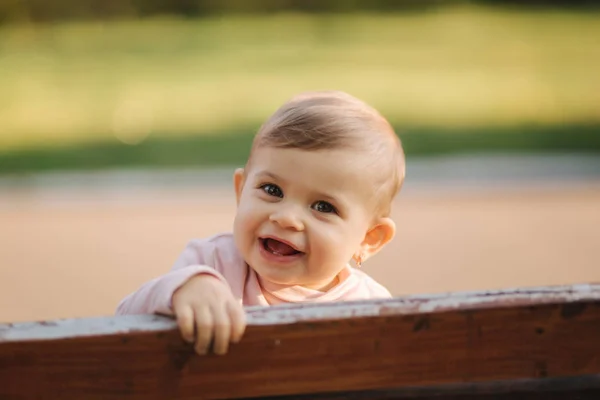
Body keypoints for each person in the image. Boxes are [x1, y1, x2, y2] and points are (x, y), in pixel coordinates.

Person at [116, 90, 406, 355]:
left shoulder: (372, 307)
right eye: (272, 190)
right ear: (241, 191)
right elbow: (122, 324)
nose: (287, 218)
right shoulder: (211, 264)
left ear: (369, 238)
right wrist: (180, 289)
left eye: (323, 207)